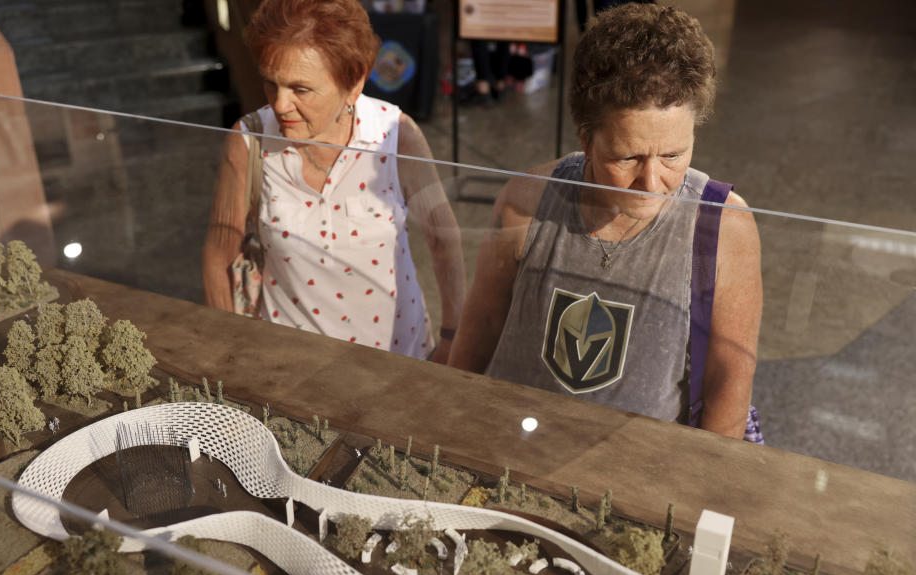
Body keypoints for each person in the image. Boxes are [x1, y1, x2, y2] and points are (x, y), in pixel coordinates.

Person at [449, 4, 762, 438]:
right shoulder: (528, 199)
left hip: (639, 469)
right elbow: (482, 324)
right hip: (514, 443)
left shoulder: (723, 225)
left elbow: (729, 379)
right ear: (585, 137)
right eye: (627, 156)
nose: (651, 182)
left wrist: (701, 487)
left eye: (673, 155)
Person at [203, 0, 465, 363]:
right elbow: (219, 257)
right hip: (290, 368)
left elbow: (443, 236)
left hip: (399, 365)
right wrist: (234, 356)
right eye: (271, 84)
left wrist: (453, 337)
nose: (280, 105)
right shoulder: (250, 140)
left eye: (301, 89)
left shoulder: (394, 133)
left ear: (354, 82)